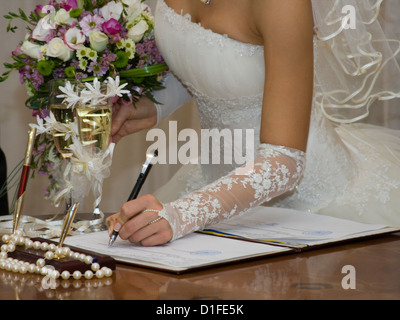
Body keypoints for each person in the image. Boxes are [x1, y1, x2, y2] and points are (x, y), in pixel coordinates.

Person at [107, 0, 400, 246]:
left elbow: (285, 162)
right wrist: (156, 106)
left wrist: (182, 215)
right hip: (215, 182)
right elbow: (209, 56)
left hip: (305, 202)